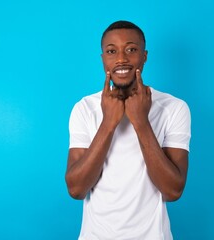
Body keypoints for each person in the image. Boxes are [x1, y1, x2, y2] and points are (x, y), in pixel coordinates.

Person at [65, 20, 191, 240]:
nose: (121, 59)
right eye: (112, 51)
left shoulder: (174, 107)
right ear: (103, 59)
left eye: (131, 50)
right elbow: (76, 189)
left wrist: (141, 121)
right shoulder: (84, 108)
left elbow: (173, 191)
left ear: (144, 56)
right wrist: (108, 123)